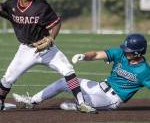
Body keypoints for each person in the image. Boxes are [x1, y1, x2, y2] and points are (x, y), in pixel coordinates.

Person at [0, 0, 96, 113]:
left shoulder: (41, 6)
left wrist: (51, 38)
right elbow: (3, 10)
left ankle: (81, 103)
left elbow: (56, 23)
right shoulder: (11, 5)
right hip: (26, 49)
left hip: (47, 48)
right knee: (8, 78)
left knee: (68, 69)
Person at [13, 33, 150, 111]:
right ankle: (32, 101)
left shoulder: (144, 71)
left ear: (138, 52)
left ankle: (78, 105)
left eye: (129, 51)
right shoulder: (120, 53)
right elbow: (96, 54)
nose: (125, 52)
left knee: (83, 102)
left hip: (111, 99)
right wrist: (84, 56)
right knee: (66, 81)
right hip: (98, 86)